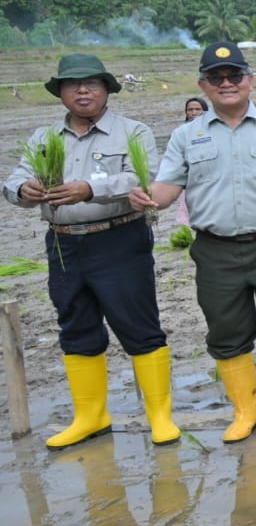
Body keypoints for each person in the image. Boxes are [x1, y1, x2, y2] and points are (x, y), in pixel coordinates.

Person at [131, 41, 256, 443]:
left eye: (235, 75)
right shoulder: (188, 136)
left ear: (250, 80)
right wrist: (149, 197)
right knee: (227, 330)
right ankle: (244, 412)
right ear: (203, 85)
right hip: (215, 249)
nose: (227, 83)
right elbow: (167, 186)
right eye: (216, 77)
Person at [3, 54, 178, 450]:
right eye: (73, 84)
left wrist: (90, 188)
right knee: (75, 325)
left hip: (118, 238)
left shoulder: (132, 132)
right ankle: (91, 416)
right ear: (61, 92)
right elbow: (14, 180)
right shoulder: (44, 138)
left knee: (138, 324)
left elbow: (145, 176)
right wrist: (23, 191)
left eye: (91, 84)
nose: (82, 91)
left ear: (106, 90)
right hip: (64, 242)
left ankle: (160, 416)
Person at [175, 97, 209, 225]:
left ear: (205, 111)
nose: (194, 112)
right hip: (189, 178)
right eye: (190, 109)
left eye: (197, 109)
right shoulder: (180, 133)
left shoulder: (213, 130)